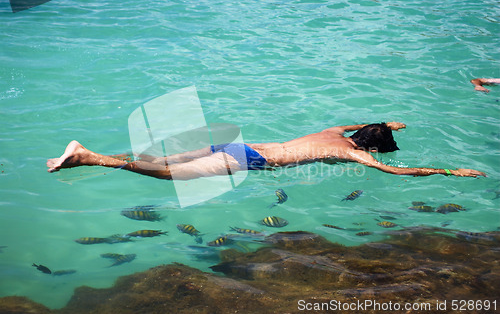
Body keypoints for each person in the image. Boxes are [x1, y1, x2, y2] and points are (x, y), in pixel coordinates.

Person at [47, 122, 485, 180]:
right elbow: (399, 173)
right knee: (167, 177)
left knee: (160, 161)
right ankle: (87, 156)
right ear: (374, 148)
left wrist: (387, 122)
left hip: (241, 144)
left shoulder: (337, 132)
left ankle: (84, 150)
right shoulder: (355, 154)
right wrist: (448, 172)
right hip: (249, 159)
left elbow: (353, 122)